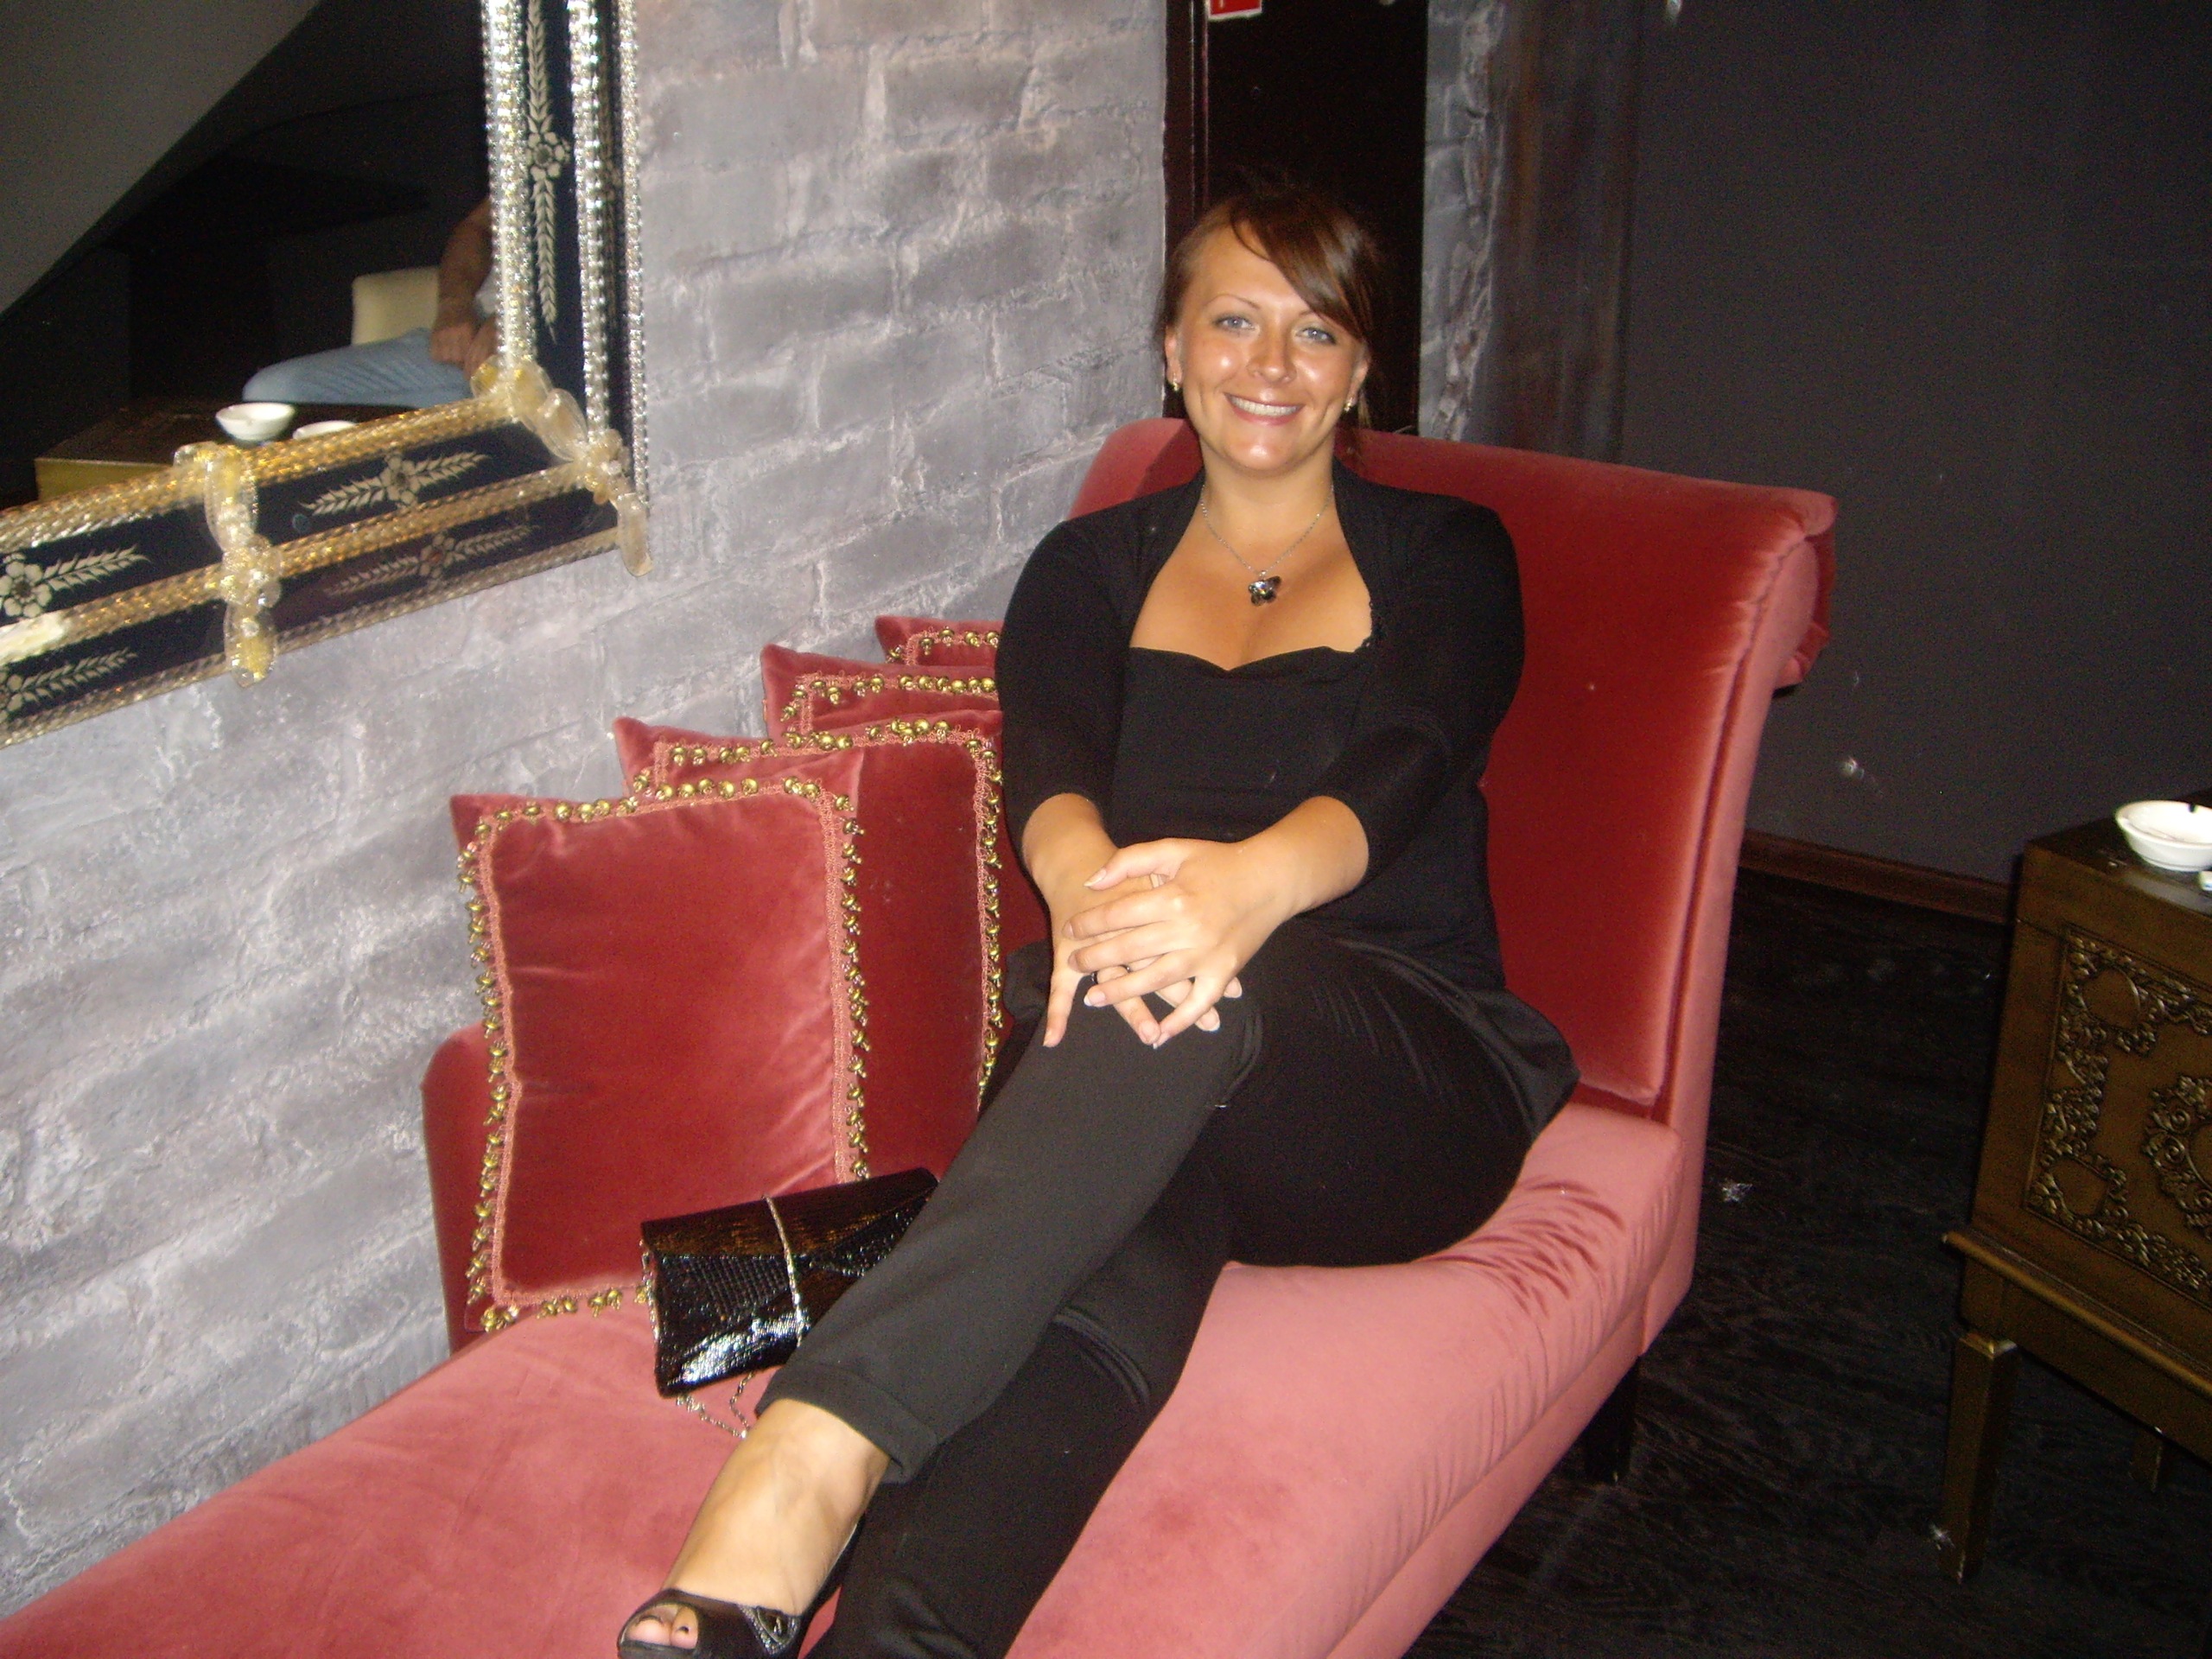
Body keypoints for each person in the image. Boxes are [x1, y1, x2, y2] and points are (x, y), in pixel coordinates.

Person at [618, 182, 1579, 1659]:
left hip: (1395, 1077)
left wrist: (1234, 892)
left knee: (1189, 977)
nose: (1271, 365)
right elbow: (1053, 781)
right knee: (1078, 1303)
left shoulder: (1447, 552)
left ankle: (805, 1456)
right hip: (1146, 1041)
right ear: (1172, 351)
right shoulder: (1088, 569)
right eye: (1233, 322)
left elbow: (1411, 758)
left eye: (1317, 331)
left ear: (1361, 372)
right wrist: (1091, 893)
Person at [239, 198, 495, 409]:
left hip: (516, 365)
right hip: (473, 347)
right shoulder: (519, 162)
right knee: (270, 394)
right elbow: (478, 227)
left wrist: (514, 326)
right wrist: (454, 305)